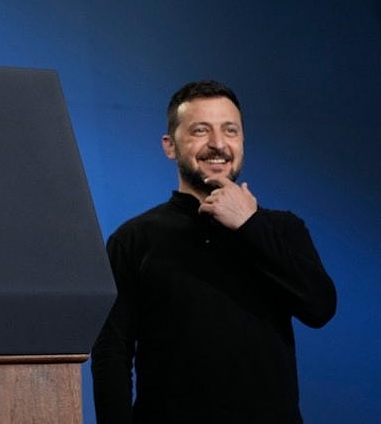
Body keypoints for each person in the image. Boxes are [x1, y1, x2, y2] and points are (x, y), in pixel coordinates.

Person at [92, 79, 336, 424]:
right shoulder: (133, 239)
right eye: (200, 131)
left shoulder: (283, 229)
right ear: (170, 146)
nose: (218, 144)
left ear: (242, 142)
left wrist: (249, 225)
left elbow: (320, 308)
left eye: (230, 131)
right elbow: (112, 353)